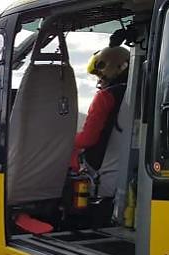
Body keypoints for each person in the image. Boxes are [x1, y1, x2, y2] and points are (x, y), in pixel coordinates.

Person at [70, 45, 130, 226]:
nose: (99, 81)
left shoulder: (105, 97)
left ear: (113, 70)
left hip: (104, 182)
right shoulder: (140, 94)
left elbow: (88, 139)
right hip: (131, 179)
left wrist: (64, 140)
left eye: (100, 75)